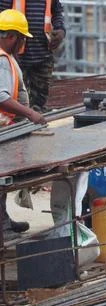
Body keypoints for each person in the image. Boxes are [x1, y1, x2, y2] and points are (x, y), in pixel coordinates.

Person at [0, 9, 47, 238]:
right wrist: (30, 114)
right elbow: (1, 97)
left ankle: (4, 220)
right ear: (11, 36)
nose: (22, 45)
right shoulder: (1, 59)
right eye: (21, 39)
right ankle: (3, 229)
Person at [0, 1, 66, 113]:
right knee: (14, 99)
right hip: (16, 56)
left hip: (42, 53)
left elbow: (57, 11)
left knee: (39, 104)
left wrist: (61, 30)